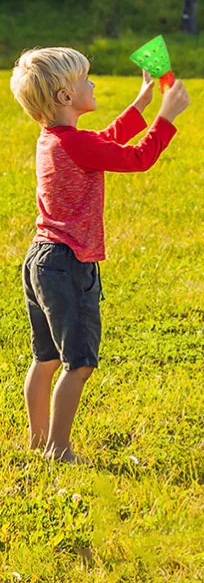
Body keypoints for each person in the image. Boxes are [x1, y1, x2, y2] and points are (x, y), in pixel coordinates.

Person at [9, 47, 190, 462]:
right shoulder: (75, 144)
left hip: (41, 259)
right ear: (64, 98)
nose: (93, 84)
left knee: (45, 357)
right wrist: (166, 117)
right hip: (69, 264)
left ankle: (37, 440)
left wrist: (141, 103)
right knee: (79, 363)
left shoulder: (55, 139)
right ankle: (58, 448)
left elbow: (102, 143)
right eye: (85, 80)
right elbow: (137, 158)